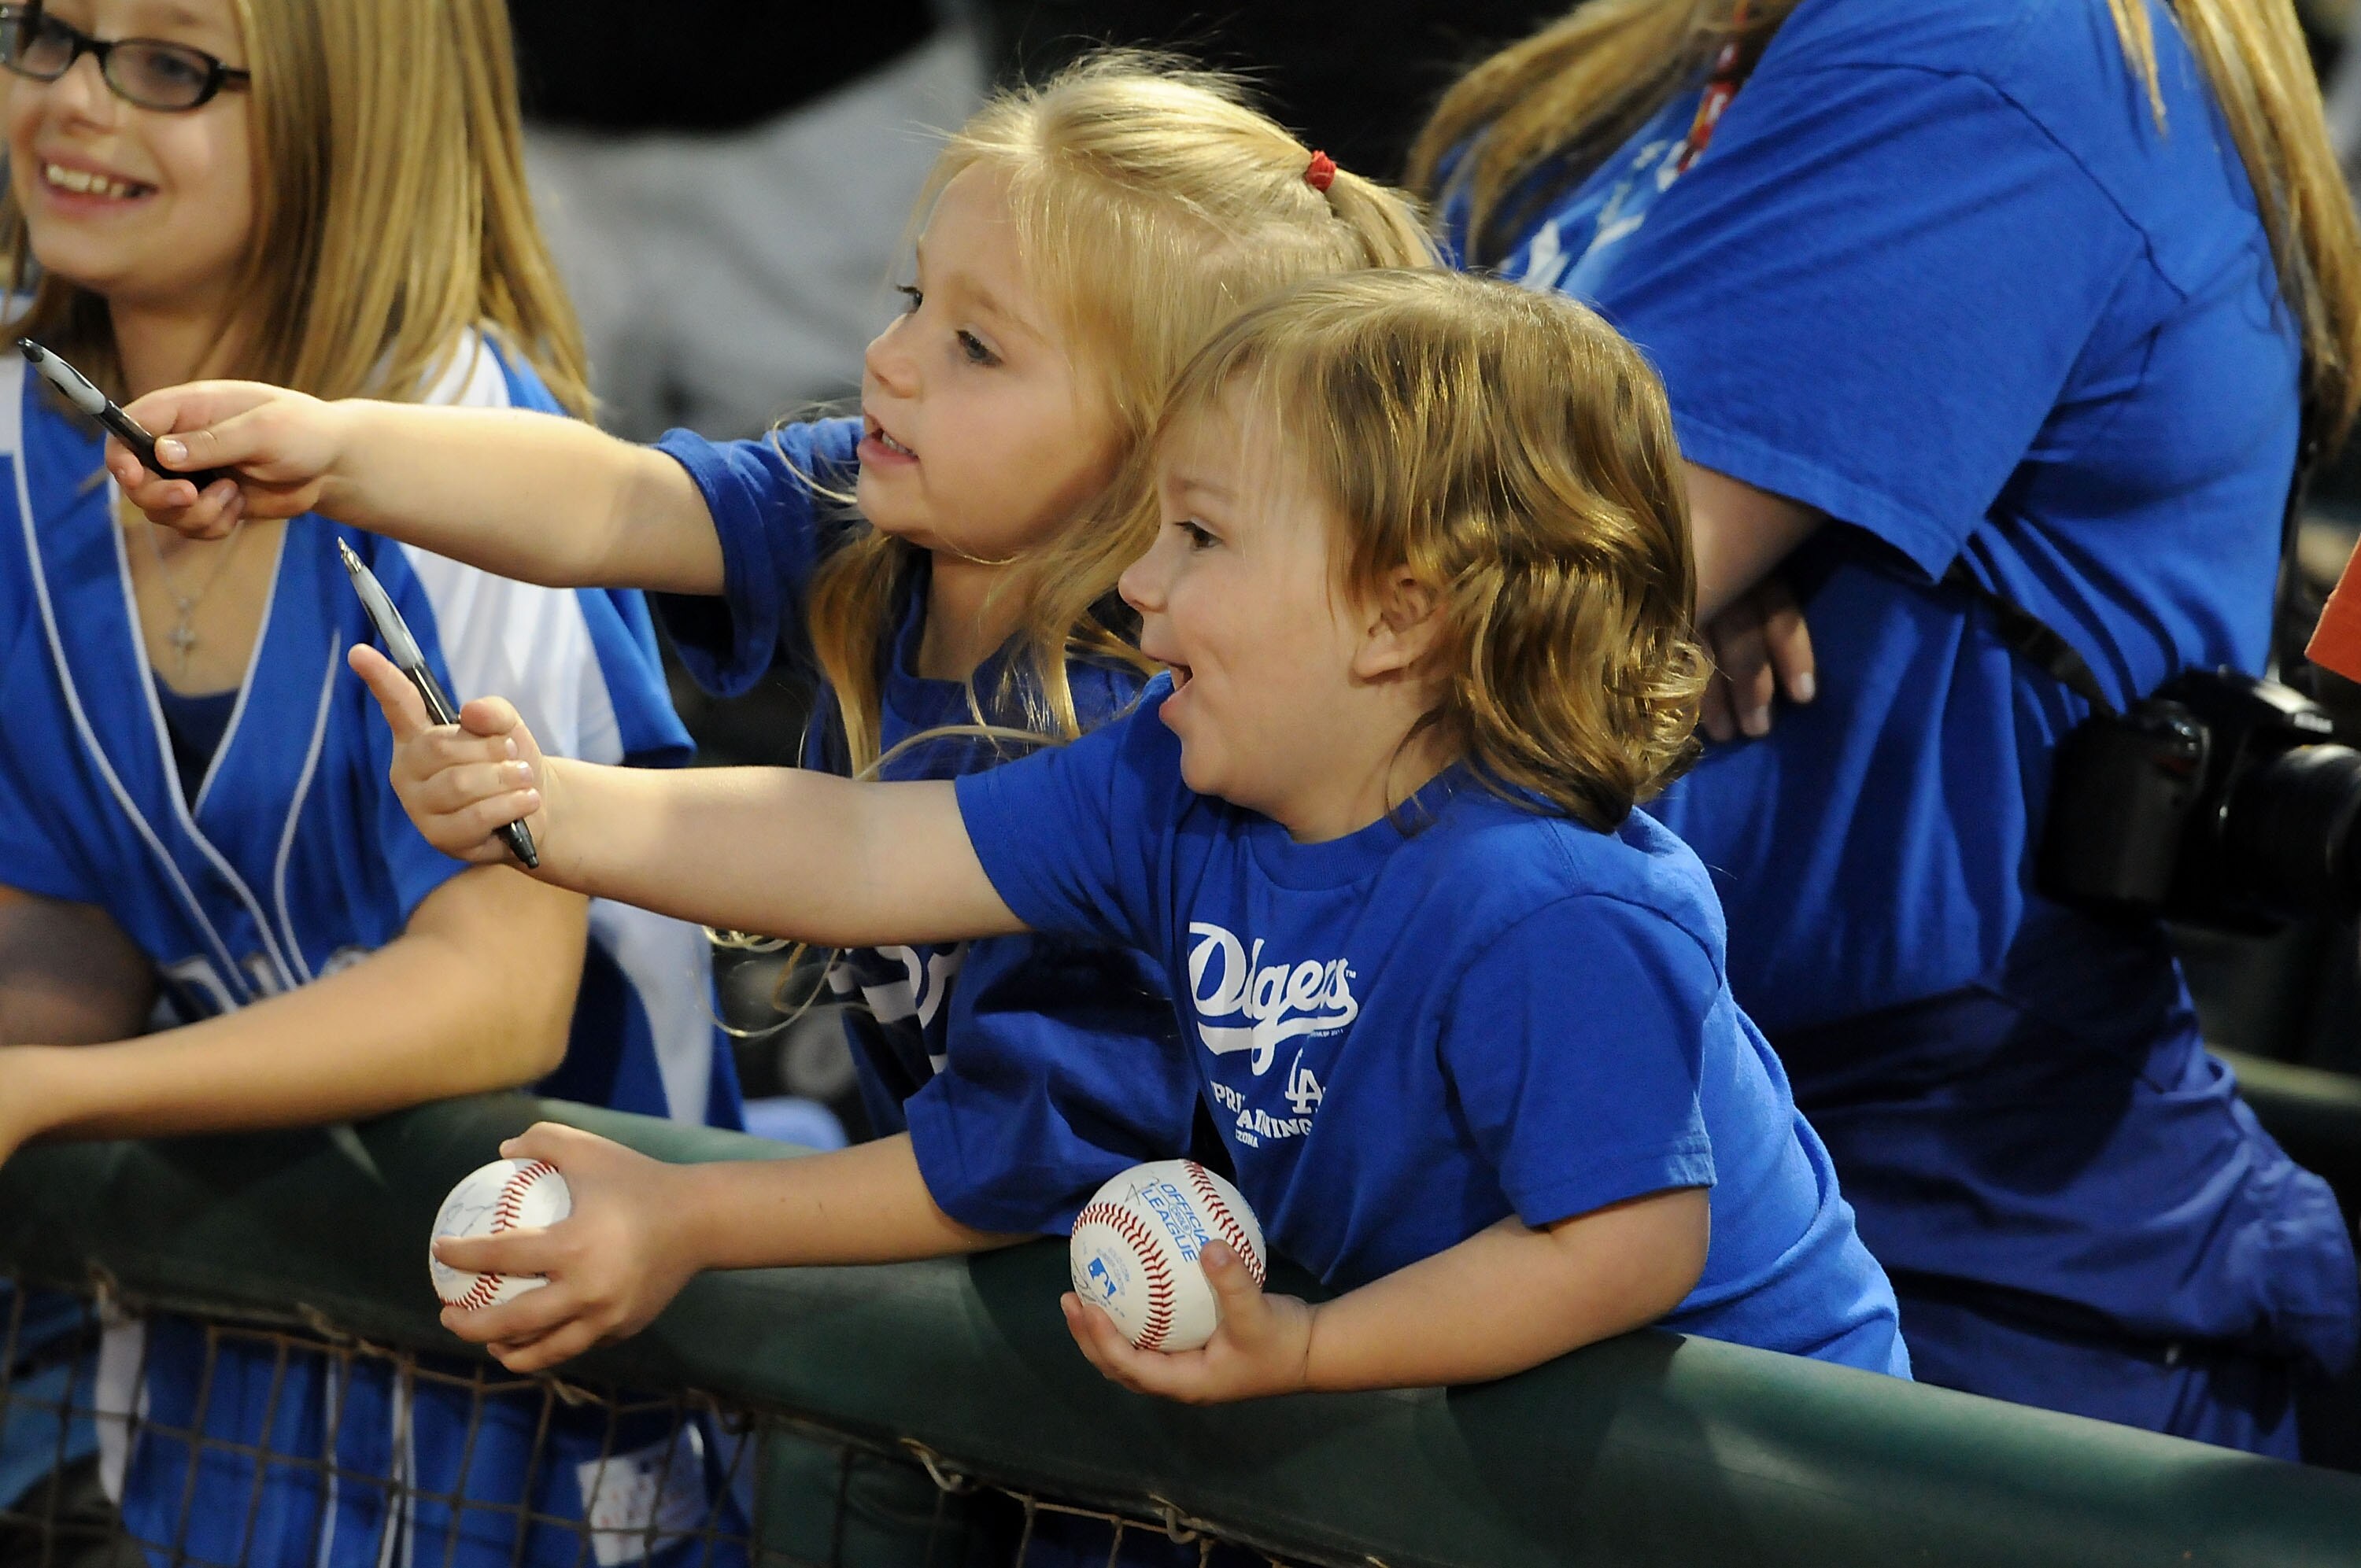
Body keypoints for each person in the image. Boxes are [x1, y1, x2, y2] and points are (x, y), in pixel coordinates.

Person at [353, 271, 1906, 1394]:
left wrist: (1309, 1349)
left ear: (1397, 618)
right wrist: (550, 806)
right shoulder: (1172, 782)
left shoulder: (1552, 899)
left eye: (1204, 537)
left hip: (1757, 1479)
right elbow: (864, 850)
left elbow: (1622, 1246)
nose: (1141, 585)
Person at [117, 56, 1442, 1253]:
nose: (889, 357)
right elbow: (622, 500)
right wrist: (339, 449)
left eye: (976, 346)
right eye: (918, 297)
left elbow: (1014, 1166)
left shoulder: (1147, 736)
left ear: (1162, 451)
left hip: (1164, 1409)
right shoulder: (889, 524)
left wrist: (692, 1215)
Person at [1409, 0, 2361, 1454]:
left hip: (1950, 1254)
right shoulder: (1612, 66)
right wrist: (1646, 562)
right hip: (1543, 1145)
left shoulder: (2016, 40)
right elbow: (1368, 512)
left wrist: (1613, 566)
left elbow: (1425, 616)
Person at [0, 0, 739, 1560]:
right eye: (46, 34)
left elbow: (496, 995)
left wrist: (52, 1096)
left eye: (168, 66)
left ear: (356, 103)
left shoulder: (472, 454)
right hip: (235, 1363)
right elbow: (78, 935)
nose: (75, 102)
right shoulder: (22, 433)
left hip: (548, 1386)